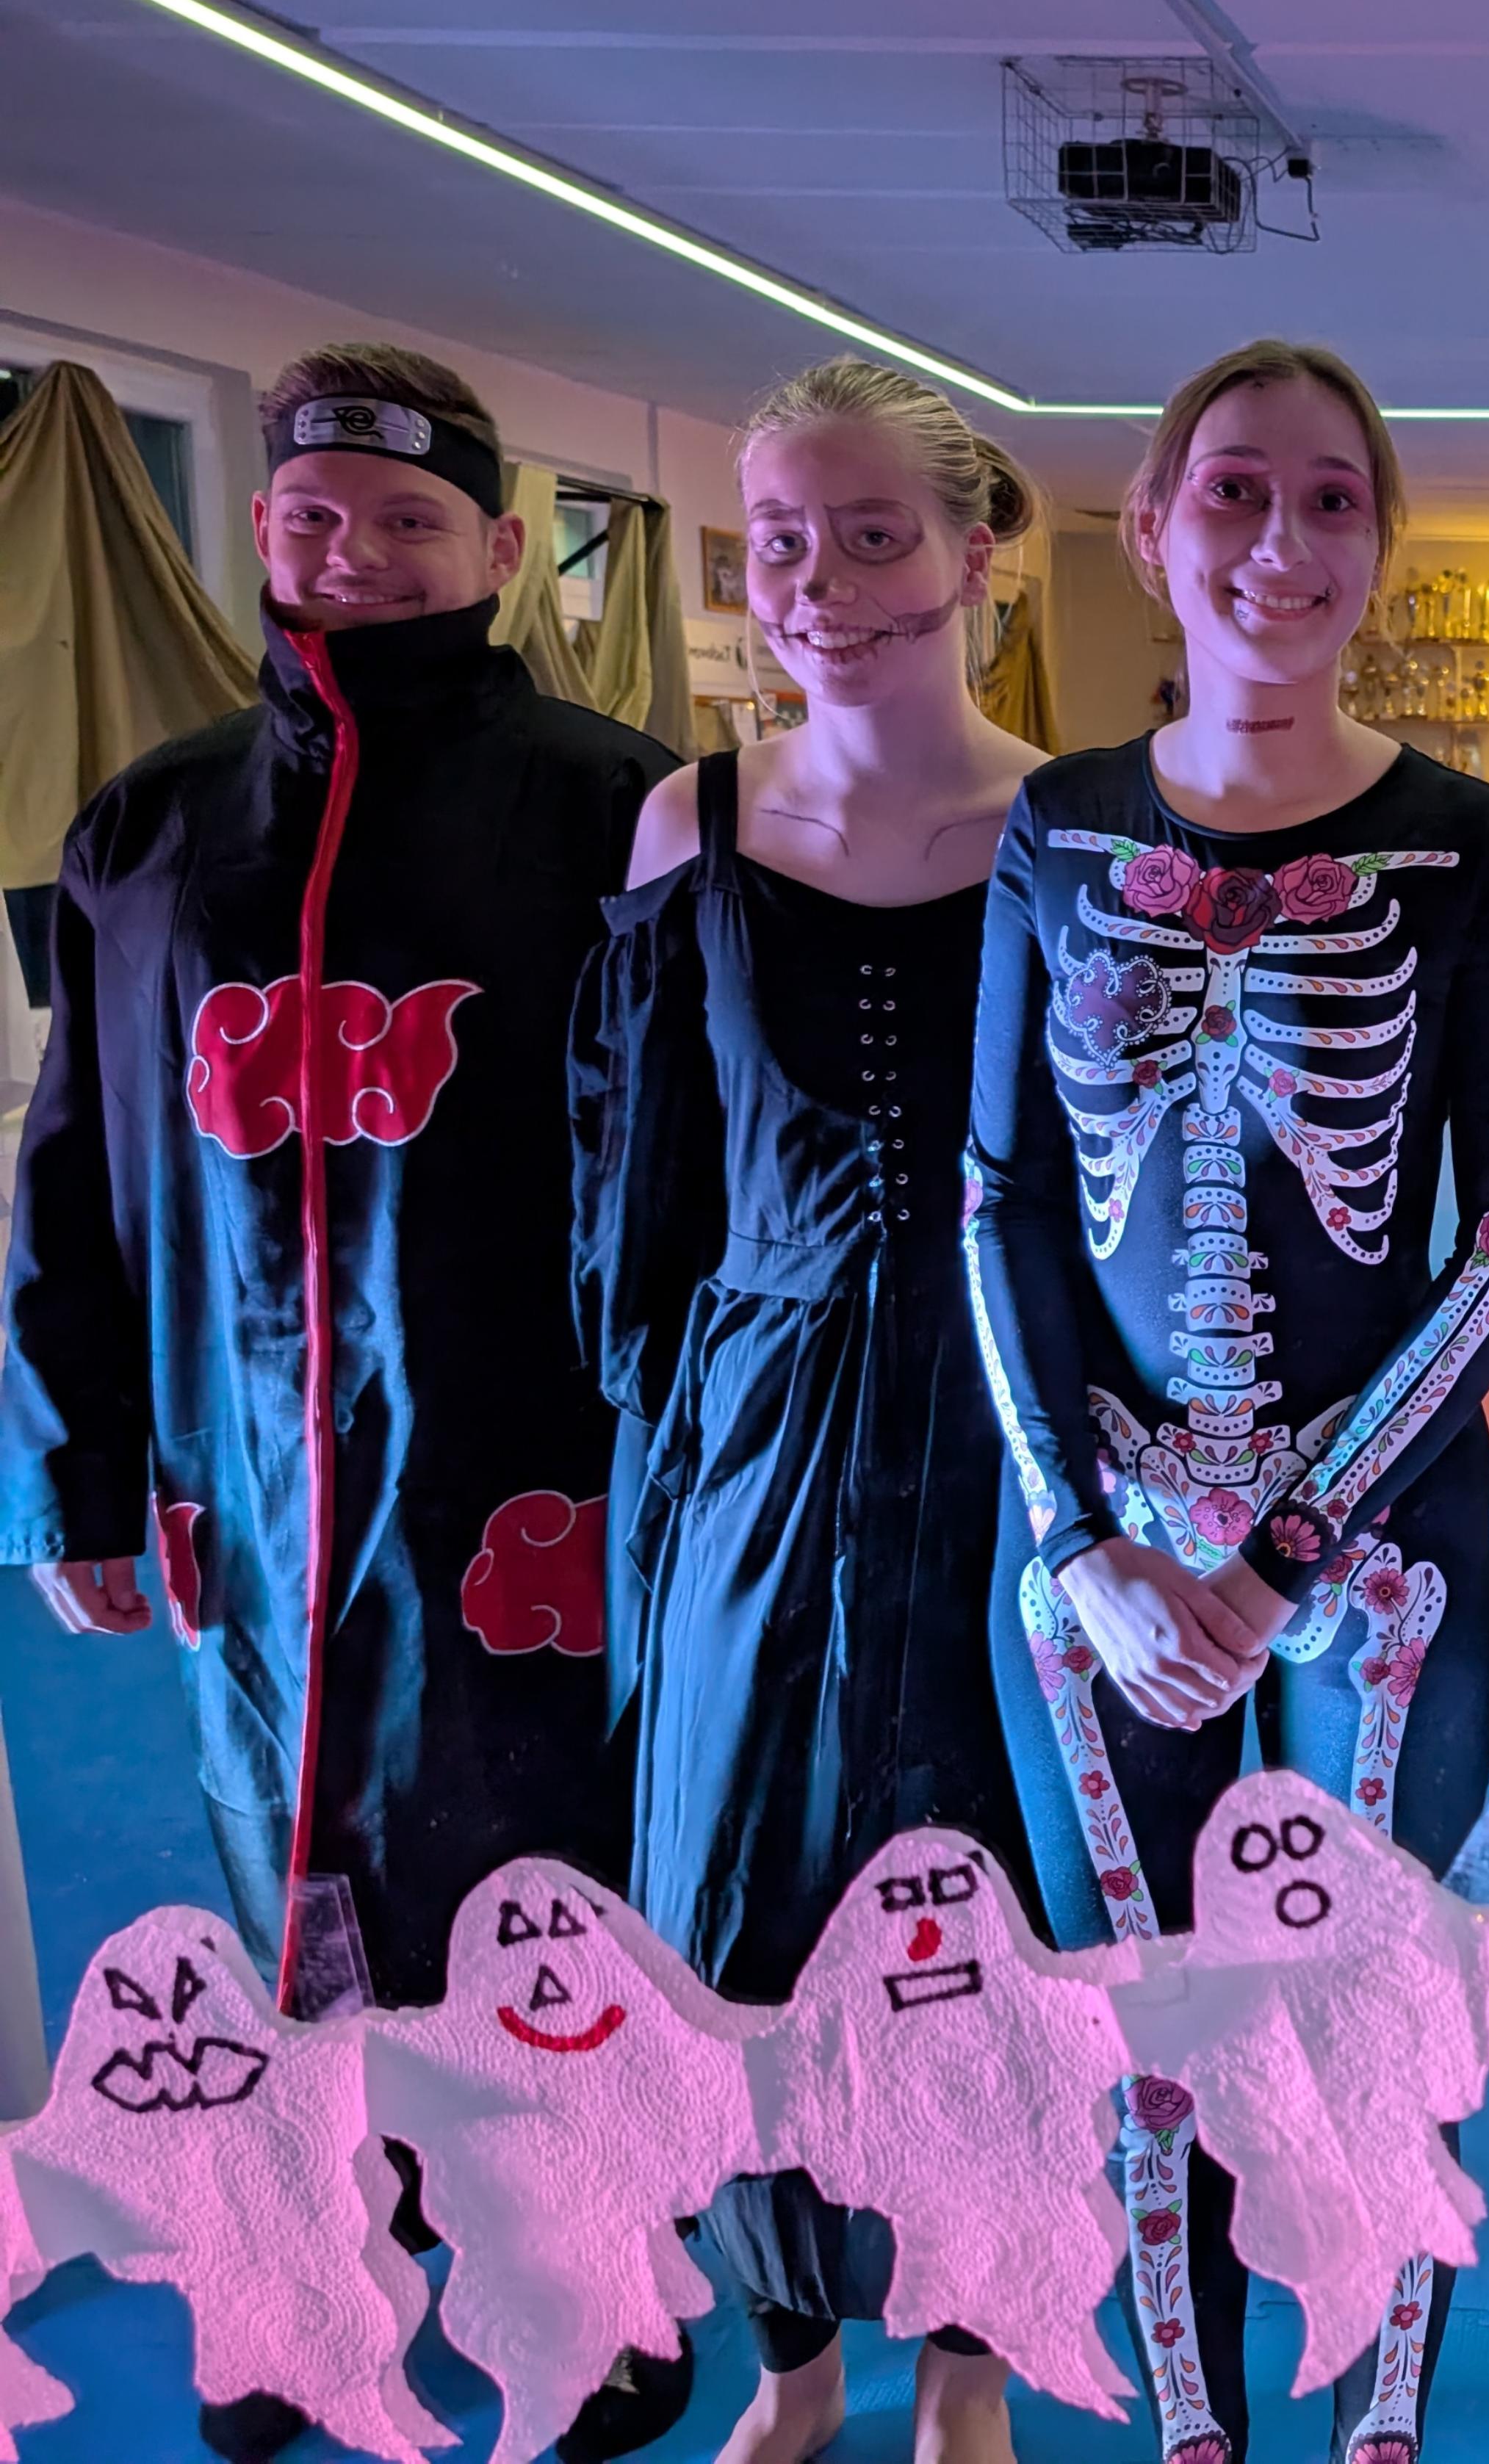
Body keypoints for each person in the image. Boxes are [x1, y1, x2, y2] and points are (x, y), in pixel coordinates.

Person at [0, 342, 687, 2462]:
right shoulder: (150, 827)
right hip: (245, 1476)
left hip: (530, 1472)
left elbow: (695, 1163)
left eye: (409, 521)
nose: (358, 554)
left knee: (540, 1880)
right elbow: (73, 1173)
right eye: (315, 517)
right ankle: (321, 2273)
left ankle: (584, 2280)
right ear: (261, 529)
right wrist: (68, 1471)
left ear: (498, 544)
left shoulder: (618, 808)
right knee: (285, 1880)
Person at [965, 338, 1489, 2464]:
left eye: (1329, 499)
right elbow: (1001, 1198)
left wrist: (1289, 1545)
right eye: (1233, 489)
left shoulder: (1471, 850)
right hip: (1106, 1558)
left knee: (1365, 2045)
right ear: (1152, 529)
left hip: (1377, 1564)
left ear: (1380, 543)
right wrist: (1080, 1537)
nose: (1279, 540)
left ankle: (1375, 2437)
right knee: (1150, 2053)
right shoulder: (1057, 827)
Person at [571, 358, 1048, 2464]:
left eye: (872, 537)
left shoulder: (1076, 822)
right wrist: (660, 1439)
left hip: (1009, 1430)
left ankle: (972, 2355)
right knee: (731, 1887)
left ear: (976, 556)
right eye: (782, 541)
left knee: (986, 1889)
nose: (822, 586)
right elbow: (637, 1167)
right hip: (754, 1436)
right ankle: (791, 2360)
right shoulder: (692, 821)